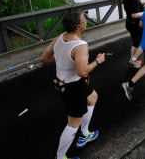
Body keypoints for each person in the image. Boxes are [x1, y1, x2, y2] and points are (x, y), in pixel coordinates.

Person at [40, 11, 106, 159]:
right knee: (73, 123)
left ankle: (86, 133)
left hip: (62, 82)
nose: (86, 21)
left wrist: (62, 60)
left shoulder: (60, 37)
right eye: (84, 19)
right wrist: (98, 61)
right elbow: (83, 72)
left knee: (93, 97)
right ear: (78, 26)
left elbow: (44, 58)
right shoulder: (80, 45)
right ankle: (61, 156)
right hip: (73, 86)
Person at [123, 0, 144, 68]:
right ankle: (132, 61)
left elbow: (130, 9)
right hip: (135, 25)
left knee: (136, 42)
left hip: (129, 23)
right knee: (138, 43)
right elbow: (133, 15)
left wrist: (140, 4)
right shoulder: (134, 1)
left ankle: (133, 59)